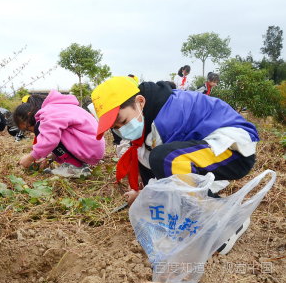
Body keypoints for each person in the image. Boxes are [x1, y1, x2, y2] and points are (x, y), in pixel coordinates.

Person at [91, 76, 259, 255]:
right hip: (204, 150)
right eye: (115, 127)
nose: (121, 130)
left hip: (233, 149)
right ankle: (208, 215)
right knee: (160, 160)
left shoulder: (169, 116)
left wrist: (155, 195)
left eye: (123, 121)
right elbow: (151, 167)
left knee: (166, 159)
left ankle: (227, 220)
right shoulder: (149, 119)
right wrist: (143, 194)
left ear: (140, 102)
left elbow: (167, 168)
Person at [13, 91, 105, 178]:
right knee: (45, 130)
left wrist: (31, 157)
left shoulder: (47, 113)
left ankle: (75, 167)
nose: (31, 132)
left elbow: (51, 140)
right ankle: (77, 165)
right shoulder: (56, 108)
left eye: (27, 128)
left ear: (29, 115)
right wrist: (51, 158)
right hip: (92, 147)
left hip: (89, 148)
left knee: (39, 128)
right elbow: (65, 138)